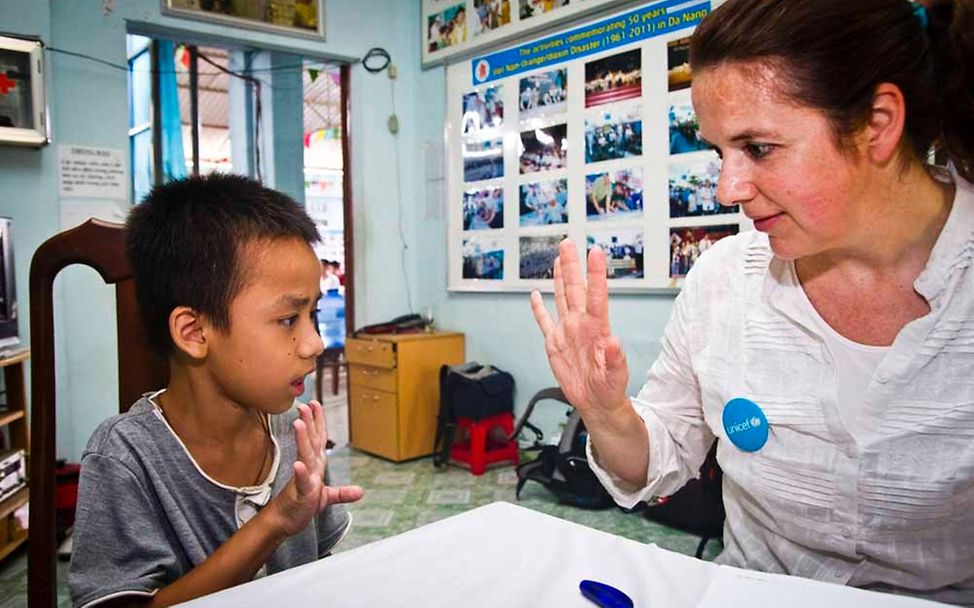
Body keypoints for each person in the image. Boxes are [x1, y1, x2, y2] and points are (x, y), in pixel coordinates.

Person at [530, 0, 974, 604]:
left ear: (877, 122)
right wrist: (606, 414)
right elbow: (652, 462)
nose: (726, 188)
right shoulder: (723, 281)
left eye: (759, 148)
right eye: (718, 152)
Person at [69, 174, 365, 607]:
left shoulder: (294, 429)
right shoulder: (125, 457)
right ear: (194, 332)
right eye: (288, 320)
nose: (315, 342)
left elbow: (319, 573)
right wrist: (276, 521)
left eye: (312, 314)